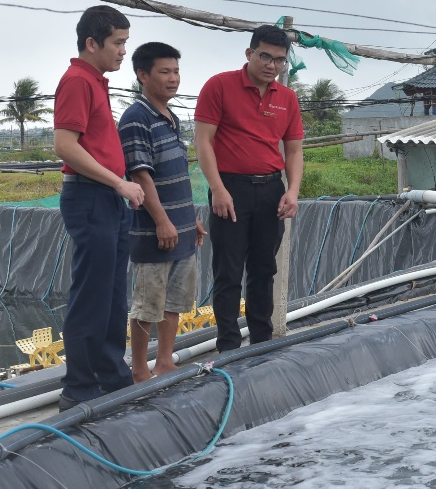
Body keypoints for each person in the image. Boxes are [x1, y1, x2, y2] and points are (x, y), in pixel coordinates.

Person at [53, 5, 145, 409]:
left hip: (107, 198)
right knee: (91, 294)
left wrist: (119, 188)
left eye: (125, 42)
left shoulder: (96, 81)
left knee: (111, 294)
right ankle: (79, 388)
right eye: (118, 43)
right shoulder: (77, 80)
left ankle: (112, 375)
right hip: (91, 196)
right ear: (92, 44)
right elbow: (65, 146)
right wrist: (119, 182)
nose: (124, 51)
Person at [194, 25, 303, 351]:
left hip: (271, 191)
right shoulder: (219, 86)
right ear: (249, 53)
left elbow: (294, 150)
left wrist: (293, 190)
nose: (271, 65)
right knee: (228, 272)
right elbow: (203, 142)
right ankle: (228, 347)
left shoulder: (287, 98)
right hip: (231, 190)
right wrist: (218, 189)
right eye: (265, 56)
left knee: (263, 270)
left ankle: (261, 343)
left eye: (280, 60)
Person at [119, 42, 206, 383]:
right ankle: (140, 369)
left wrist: (190, 220)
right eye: (164, 72)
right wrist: (163, 221)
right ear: (143, 75)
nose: (173, 79)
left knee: (174, 301)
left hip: (180, 226)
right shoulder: (136, 118)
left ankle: (165, 361)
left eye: (176, 71)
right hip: (154, 230)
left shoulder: (171, 117)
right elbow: (141, 175)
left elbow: (177, 176)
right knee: (147, 302)